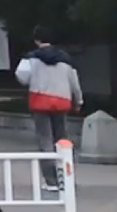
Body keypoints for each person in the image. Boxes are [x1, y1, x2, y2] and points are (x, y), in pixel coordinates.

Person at [14, 26, 83, 192]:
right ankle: (67, 177)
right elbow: (74, 81)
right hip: (62, 101)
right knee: (63, 139)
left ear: (36, 40)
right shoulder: (65, 58)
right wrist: (78, 100)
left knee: (45, 140)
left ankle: (51, 181)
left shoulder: (31, 58)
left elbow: (21, 77)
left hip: (40, 101)